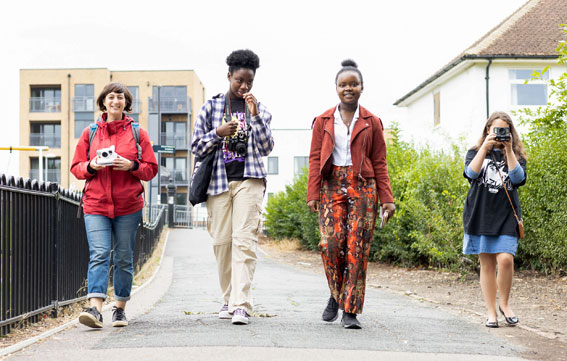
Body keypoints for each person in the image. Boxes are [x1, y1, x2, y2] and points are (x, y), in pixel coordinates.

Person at [307, 60, 396, 329]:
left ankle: (350, 311)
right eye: (343, 85)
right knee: (331, 244)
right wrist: (312, 192)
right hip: (331, 183)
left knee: (357, 246)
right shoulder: (323, 121)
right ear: (336, 88)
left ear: (361, 87)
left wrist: (387, 198)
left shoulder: (372, 121)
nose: (349, 88)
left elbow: (380, 161)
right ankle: (337, 294)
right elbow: (314, 159)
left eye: (353, 84)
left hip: (363, 185)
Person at [191, 49, 274, 325]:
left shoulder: (260, 109)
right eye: (239, 80)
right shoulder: (211, 108)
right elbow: (196, 147)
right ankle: (228, 298)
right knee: (222, 243)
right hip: (218, 182)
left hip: (249, 180)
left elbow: (265, 148)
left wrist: (255, 117)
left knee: (244, 242)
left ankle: (241, 304)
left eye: (249, 81)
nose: (244, 86)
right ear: (229, 76)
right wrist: (218, 133)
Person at [71, 83, 158, 328]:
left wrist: (131, 166)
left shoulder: (137, 133)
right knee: (98, 254)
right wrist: (92, 166)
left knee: (123, 258)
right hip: (96, 204)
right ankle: (95, 309)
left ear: (126, 103)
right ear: (104, 102)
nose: (115, 101)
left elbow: (151, 169)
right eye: (111, 97)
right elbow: (76, 167)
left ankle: (119, 309)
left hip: (128, 206)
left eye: (120, 97)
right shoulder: (90, 132)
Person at [462, 111, 527, 328]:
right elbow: (471, 174)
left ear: (511, 132)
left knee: (506, 259)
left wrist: (508, 150)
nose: (499, 134)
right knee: (487, 264)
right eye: (495, 130)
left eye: (504, 131)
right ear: (487, 130)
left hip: (507, 215)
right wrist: (485, 147)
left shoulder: (517, 154)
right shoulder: (474, 152)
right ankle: (491, 312)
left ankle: (505, 304)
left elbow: (518, 179)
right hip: (480, 214)